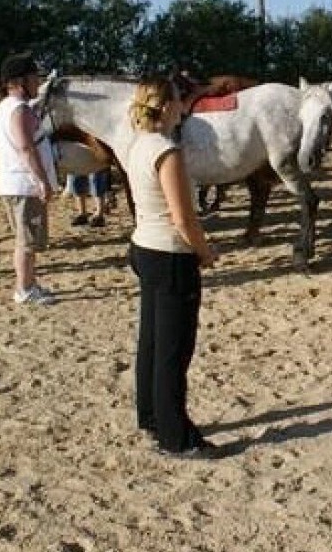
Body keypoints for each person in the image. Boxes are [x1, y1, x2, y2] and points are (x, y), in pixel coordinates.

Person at [125, 77, 218, 458]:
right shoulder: (167, 151)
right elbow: (183, 218)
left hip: (144, 245)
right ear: (164, 108)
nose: (183, 106)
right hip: (170, 252)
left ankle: (150, 415)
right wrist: (205, 251)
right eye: (179, 101)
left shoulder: (137, 145)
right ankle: (175, 436)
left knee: (151, 341)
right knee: (174, 349)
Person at [0, 53, 59, 305]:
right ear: (20, 81)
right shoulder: (18, 110)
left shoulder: (3, 108)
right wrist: (41, 180)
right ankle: (25, 288)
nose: (37, 83)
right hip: (24, 184)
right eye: (33, 78)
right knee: (27, 242)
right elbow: (26, 148)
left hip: (14, 182)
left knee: (24, 240)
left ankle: (28, 284)